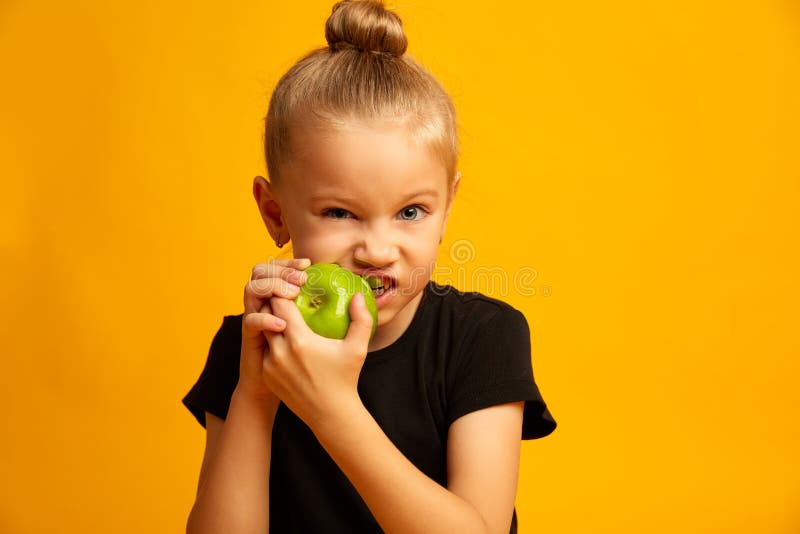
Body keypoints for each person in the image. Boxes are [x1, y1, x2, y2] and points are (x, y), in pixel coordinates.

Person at [182, 1, 556, 532]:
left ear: (446, 209)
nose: (378, 250)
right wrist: (258, 392)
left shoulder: (482, 338)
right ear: (274, 212)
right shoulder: (250, 344)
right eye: (340, 212)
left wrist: (332, 409)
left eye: (411, 212)